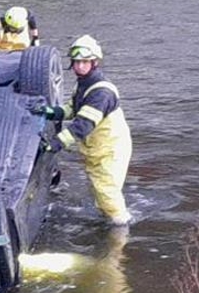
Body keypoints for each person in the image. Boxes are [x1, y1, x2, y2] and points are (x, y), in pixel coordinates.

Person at [35, 35, 133, 226]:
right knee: (101, 193)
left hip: (110, 151)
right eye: (77, 62)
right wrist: (53, 112)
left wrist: (54, 144)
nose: (79, 66)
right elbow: (74, 108)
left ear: (94, 62)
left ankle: (120, 234)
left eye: (84, 62)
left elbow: (83, 125)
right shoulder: (84, 84)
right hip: (98, 149)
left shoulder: (101, 93)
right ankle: (109, 220)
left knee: (108, 194)